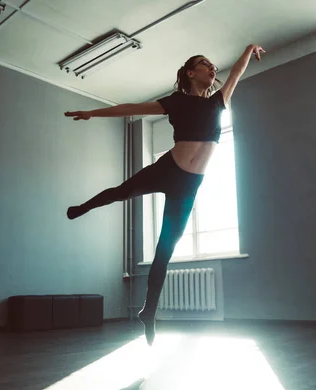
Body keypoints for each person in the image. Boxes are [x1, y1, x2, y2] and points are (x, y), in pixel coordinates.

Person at [64, 44, 266, 345]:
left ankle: (149, 311)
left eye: (213, 65)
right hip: (167, 169)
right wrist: (92, 113)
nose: (212, 68)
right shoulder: (175, 102)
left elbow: (236, 71)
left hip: (189, 185)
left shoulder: (219, 101)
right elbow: (129, 108)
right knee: (122, 192)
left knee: (165, 249)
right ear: (190, 72)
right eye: (204, 64)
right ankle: (82, 207)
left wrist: (249, 49)